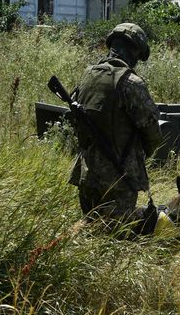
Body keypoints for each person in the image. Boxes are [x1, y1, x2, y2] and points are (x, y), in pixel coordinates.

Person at [68, 23, 162, 224]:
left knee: (91, 229)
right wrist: (142, 155)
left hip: (86, 172)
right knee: (115, 237)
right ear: (135, 52)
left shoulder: (88, 75)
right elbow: (152, 131)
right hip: (119, 178)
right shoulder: (131, 83)